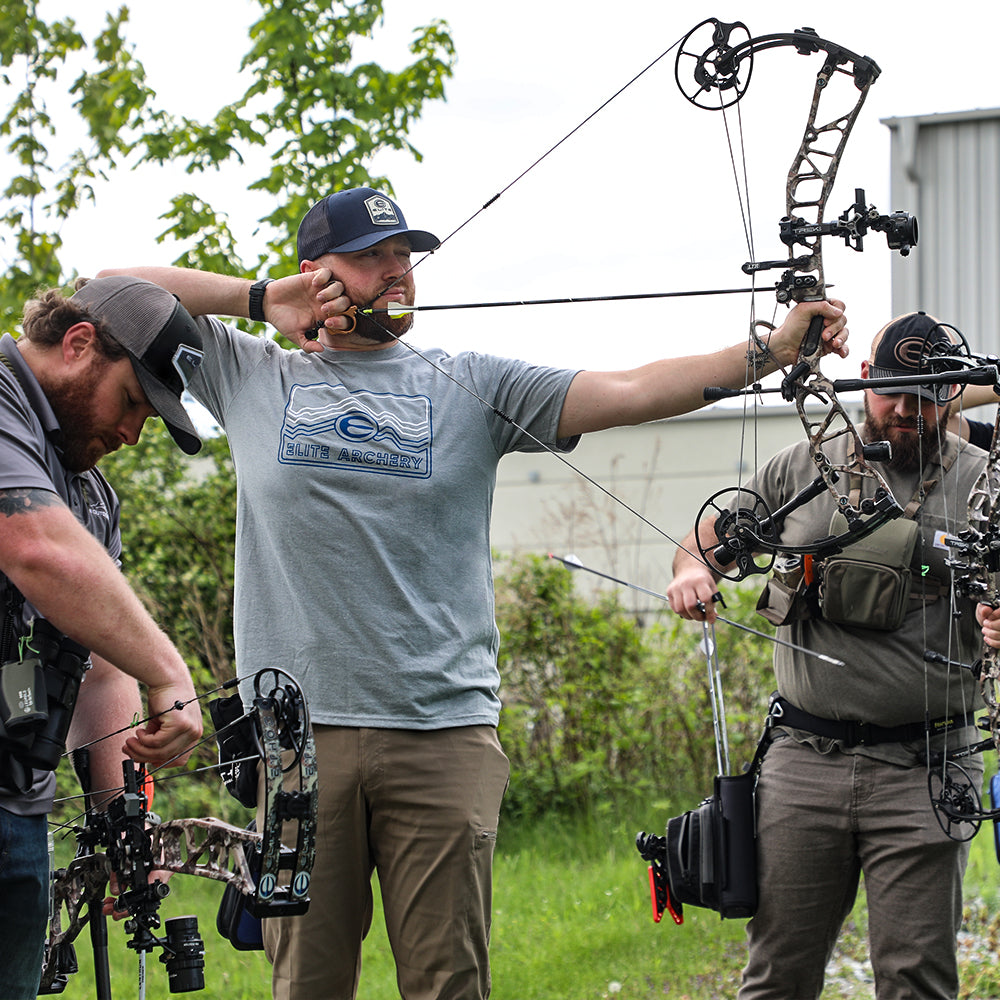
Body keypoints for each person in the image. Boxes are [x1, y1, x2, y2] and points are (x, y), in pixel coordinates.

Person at [98, 185, 849, 1000]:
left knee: (449, 982)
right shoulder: (249, 373)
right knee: (307, 983)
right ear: (316, 273)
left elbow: (633, 390)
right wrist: (259, 300)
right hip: (296, 743)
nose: (397, 273)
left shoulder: (472, 383)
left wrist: (773, 352)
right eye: (371, 258)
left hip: (442, 732)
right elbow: (108, 293)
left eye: (403, 256)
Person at [667, 310, 1000, 999]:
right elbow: (707, 536)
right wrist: (691, 571)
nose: (908, 411)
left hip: (929, 765)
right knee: (778, 972)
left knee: (916, 978)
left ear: (955, 393)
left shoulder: (984, 482)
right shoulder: (804, 465)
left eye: (930, 396)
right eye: (895, 394)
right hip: (802, 766)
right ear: (867, 381)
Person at [0, 275, 205, 999]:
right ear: (80, 344)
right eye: (131, 403)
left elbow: (100, 668)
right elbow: (32, 545)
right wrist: (169, 670)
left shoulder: (90, 497)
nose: (130, 433)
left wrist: (125, 825)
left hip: (14, 803)